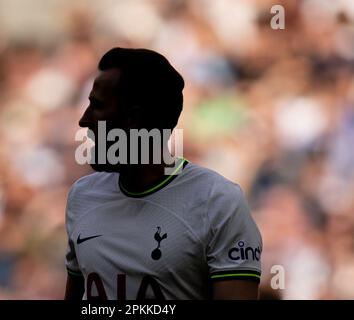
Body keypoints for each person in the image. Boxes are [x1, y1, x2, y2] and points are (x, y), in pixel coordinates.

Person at [64, 47, 262, 300]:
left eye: (97, 106)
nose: (84, 120)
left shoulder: (218, 202)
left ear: (133, 119)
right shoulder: (82, 196)